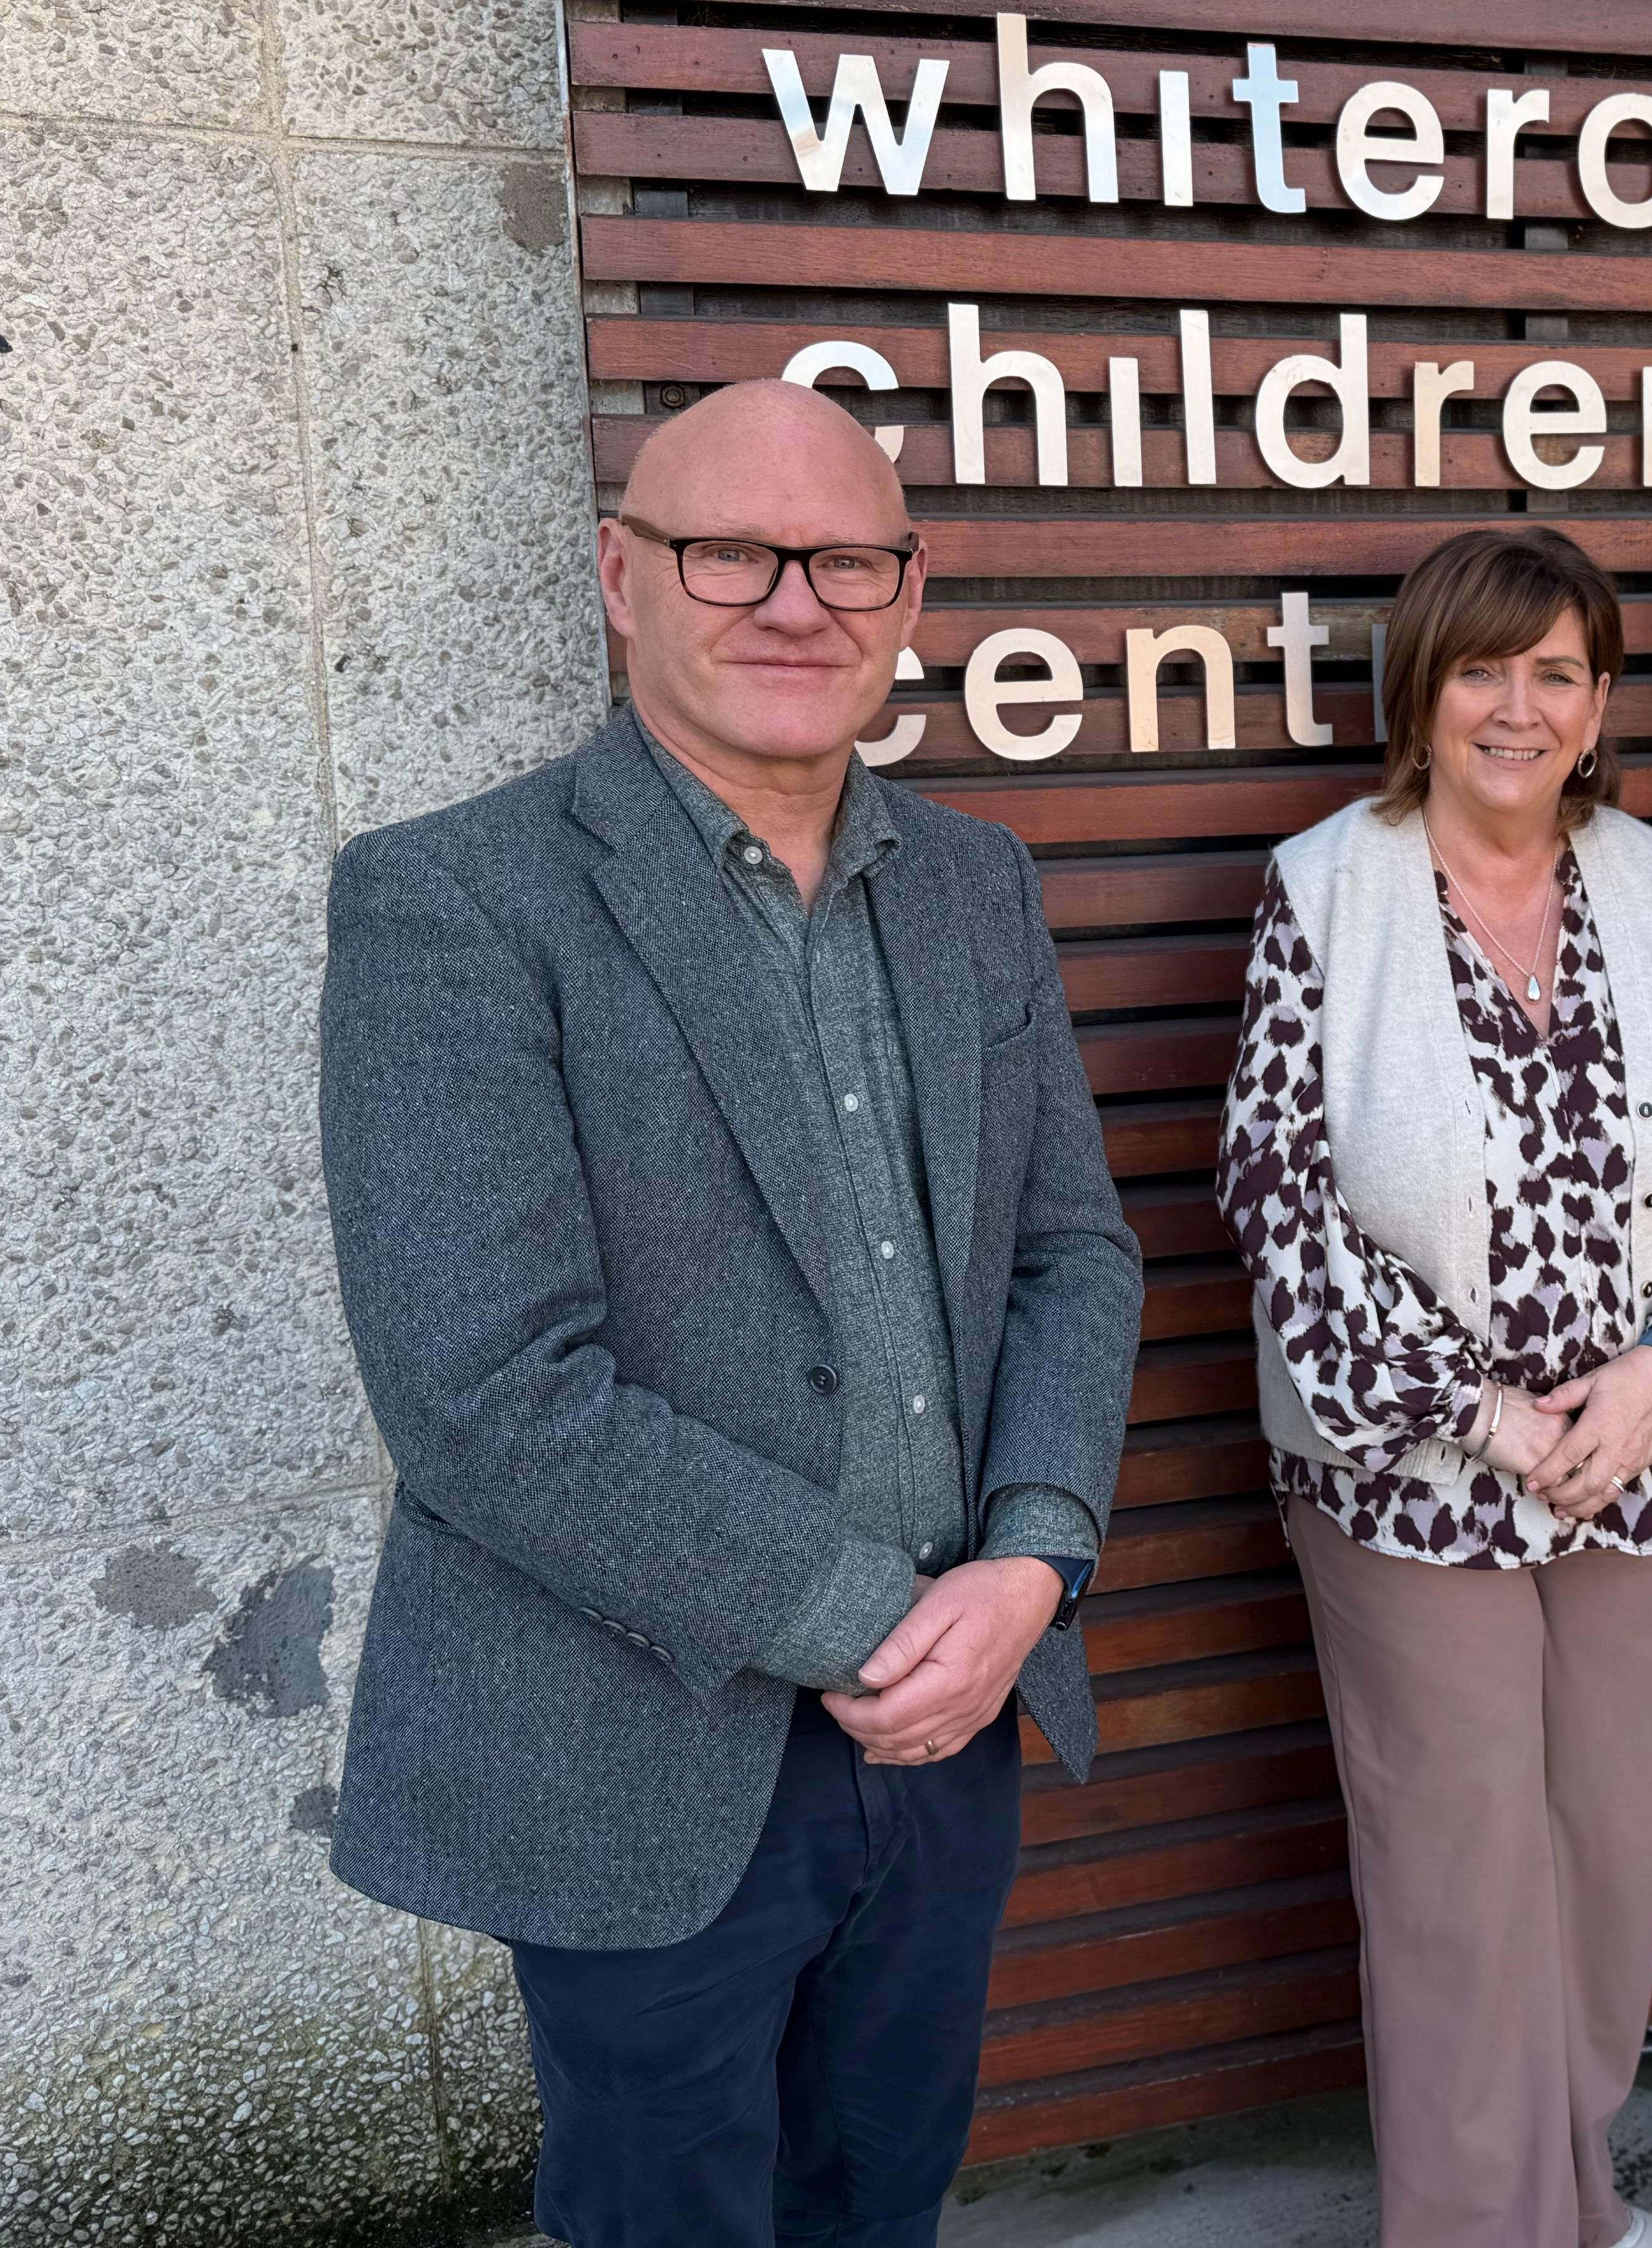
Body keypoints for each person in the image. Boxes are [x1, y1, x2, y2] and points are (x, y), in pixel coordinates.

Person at [316, 379, 1143, 2248]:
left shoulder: (980, 885)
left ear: (911, 588)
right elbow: (485, 1386)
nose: (794, 600)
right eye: (729, 551)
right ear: (621, 575)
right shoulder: (453, 899)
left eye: (846, 557)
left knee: (883, 2197)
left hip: (955, 1722)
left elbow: (1071, 1255)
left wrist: (1030, 1563)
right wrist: (877, 1615)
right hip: (639, 1746)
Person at [1216, 524, 1652, 2248]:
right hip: (1414, 1482)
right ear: (1420, 685)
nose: (1518, 703)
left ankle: (1584, 2210)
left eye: (1558, 669)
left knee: (1606, 1875)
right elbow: (1277, 1190)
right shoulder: (1325, 885)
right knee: (1464, 1894)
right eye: (1484, 665)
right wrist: (1477, 1409)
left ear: (1601, 697)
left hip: (1649, 1460)